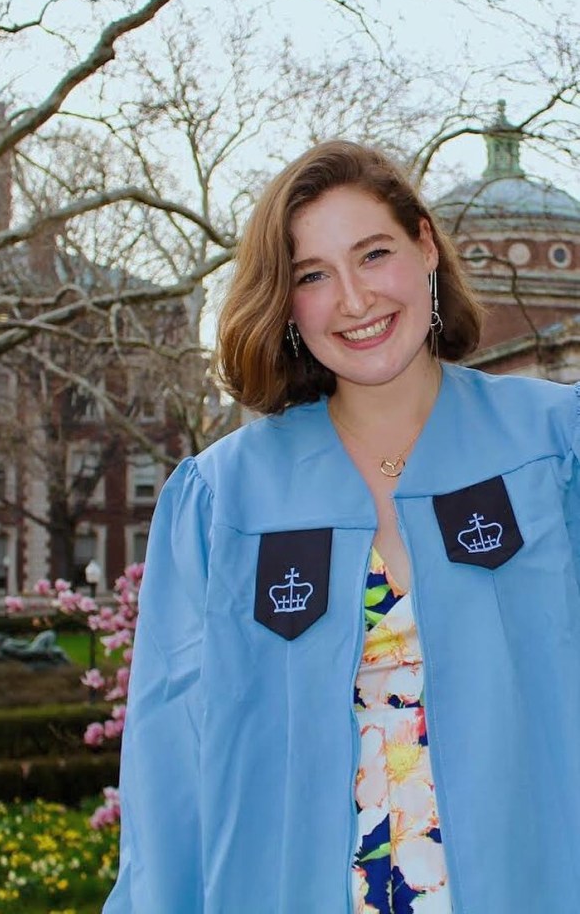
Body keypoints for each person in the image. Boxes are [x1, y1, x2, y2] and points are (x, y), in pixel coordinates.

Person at [103, 141, 580, 913]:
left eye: (373, 254)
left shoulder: (556, 450)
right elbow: (170, 768)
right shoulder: (224, 501)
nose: (353, 300)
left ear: (425, 247)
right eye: (313, 275)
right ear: (287, 304)